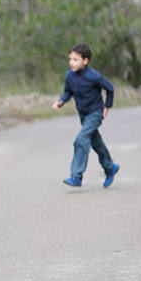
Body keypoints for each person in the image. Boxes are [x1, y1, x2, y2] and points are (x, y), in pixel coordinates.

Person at [51, 44, 119, 188]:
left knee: (81, 139)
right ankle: (109, 167)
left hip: (95, 113)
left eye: (75, 60)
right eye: (70, 59)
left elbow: (110, 88)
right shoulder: (70, 76)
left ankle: (76, 176)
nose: (71, 63)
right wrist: (61, 101)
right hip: (83, 114)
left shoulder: (94, 76)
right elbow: (68, 92)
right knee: (95, 142)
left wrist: (107, 106)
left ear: (85, 61)